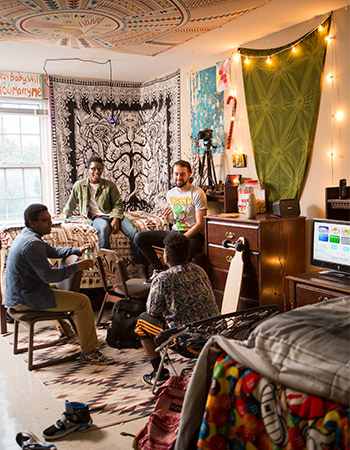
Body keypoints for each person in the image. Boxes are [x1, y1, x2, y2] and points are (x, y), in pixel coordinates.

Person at [4, 203, 114, 365]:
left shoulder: (28, 236)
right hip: (25, 299)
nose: (50, 223)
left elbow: (53, 251)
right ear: (32, 223)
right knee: (82, 301)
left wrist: (76, 250)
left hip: (21, 294)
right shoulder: (32, 244)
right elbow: (49, 276)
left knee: (60, 291)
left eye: (50, 219)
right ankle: (89, 352)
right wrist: (78, 266)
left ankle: (65, 331)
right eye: (45, 220)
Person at [135, 232, 219, 387]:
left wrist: (155, 284)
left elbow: (152, 311)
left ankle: (159, 374)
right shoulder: (199, 270)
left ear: (165, 258)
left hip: (188, 343)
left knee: (141, 322)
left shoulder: (163, 278)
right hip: (212, 336)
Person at [62, 155, 146, 278]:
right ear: (87, 170)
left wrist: (116, 218)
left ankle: (140, 268)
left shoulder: (109, 185)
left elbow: (118, 204)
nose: (97, 172)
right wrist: (63, 218)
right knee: (104, 229)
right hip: (96, 217)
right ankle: (108, 267)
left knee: (134, 233)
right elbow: (70, 205)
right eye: (93, 169)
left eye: (100, 169)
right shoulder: (79, 186)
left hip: (113, 215)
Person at [134, 160, 207, 282]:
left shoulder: (197, 193)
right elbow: (173, 220)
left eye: (182, 174)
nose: (178, 177)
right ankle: (159, 269)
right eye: (176, 174)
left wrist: (183, 238)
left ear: (189, 175)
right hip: (175, 232)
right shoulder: (170, 194)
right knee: (139, 237)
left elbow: (200, 224)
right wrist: (169, 216)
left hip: (193, 235)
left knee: (176, 250)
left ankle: (175, 281)